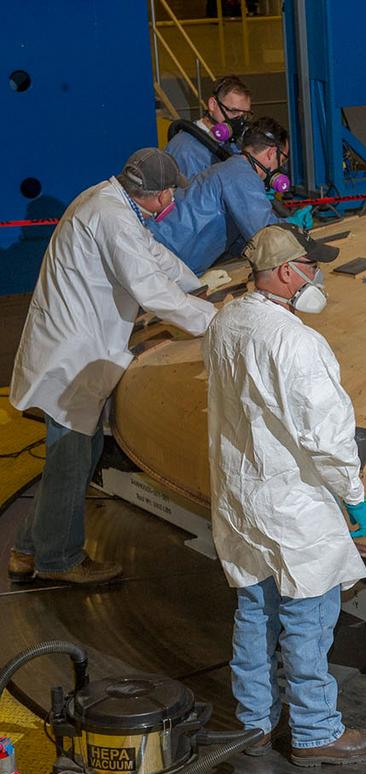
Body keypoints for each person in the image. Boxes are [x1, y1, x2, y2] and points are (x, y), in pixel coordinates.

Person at [204, 222, 366, 766]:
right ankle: (315, 732)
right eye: (309, 265)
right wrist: (352, 494)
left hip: (240, 495)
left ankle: (254, 724)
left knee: (255, 608)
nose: (315, 274)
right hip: (292, 500)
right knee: (308, 615)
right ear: (287, 273)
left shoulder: (226, 321)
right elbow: (324, 431)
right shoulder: (294, 339)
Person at [7, 149, 216, 586]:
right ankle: (58, 559)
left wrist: (201, 286)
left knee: (77, 457)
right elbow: (151, 290)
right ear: (155, 195)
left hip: (76, 351)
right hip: (72, 358)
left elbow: (153, 258)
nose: (171, 203)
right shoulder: (112, 217)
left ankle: (27, 548)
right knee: (72, 459)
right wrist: (218, 321)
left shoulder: (110, 201)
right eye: (169, 196)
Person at [150, 116, 300, 277]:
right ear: (271, 153)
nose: (280, 168)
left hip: (163, 255)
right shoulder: (242, 176)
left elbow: (236, 236)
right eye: (282, 160)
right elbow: (267, 236)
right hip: (163, 261)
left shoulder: (232, 168)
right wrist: (292, 226)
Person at [165, 75, 252, 179]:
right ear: (212, 104)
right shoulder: (185, 148)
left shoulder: (234, 145)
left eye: (244, 116)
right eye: (233, 111)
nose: (239, 122)